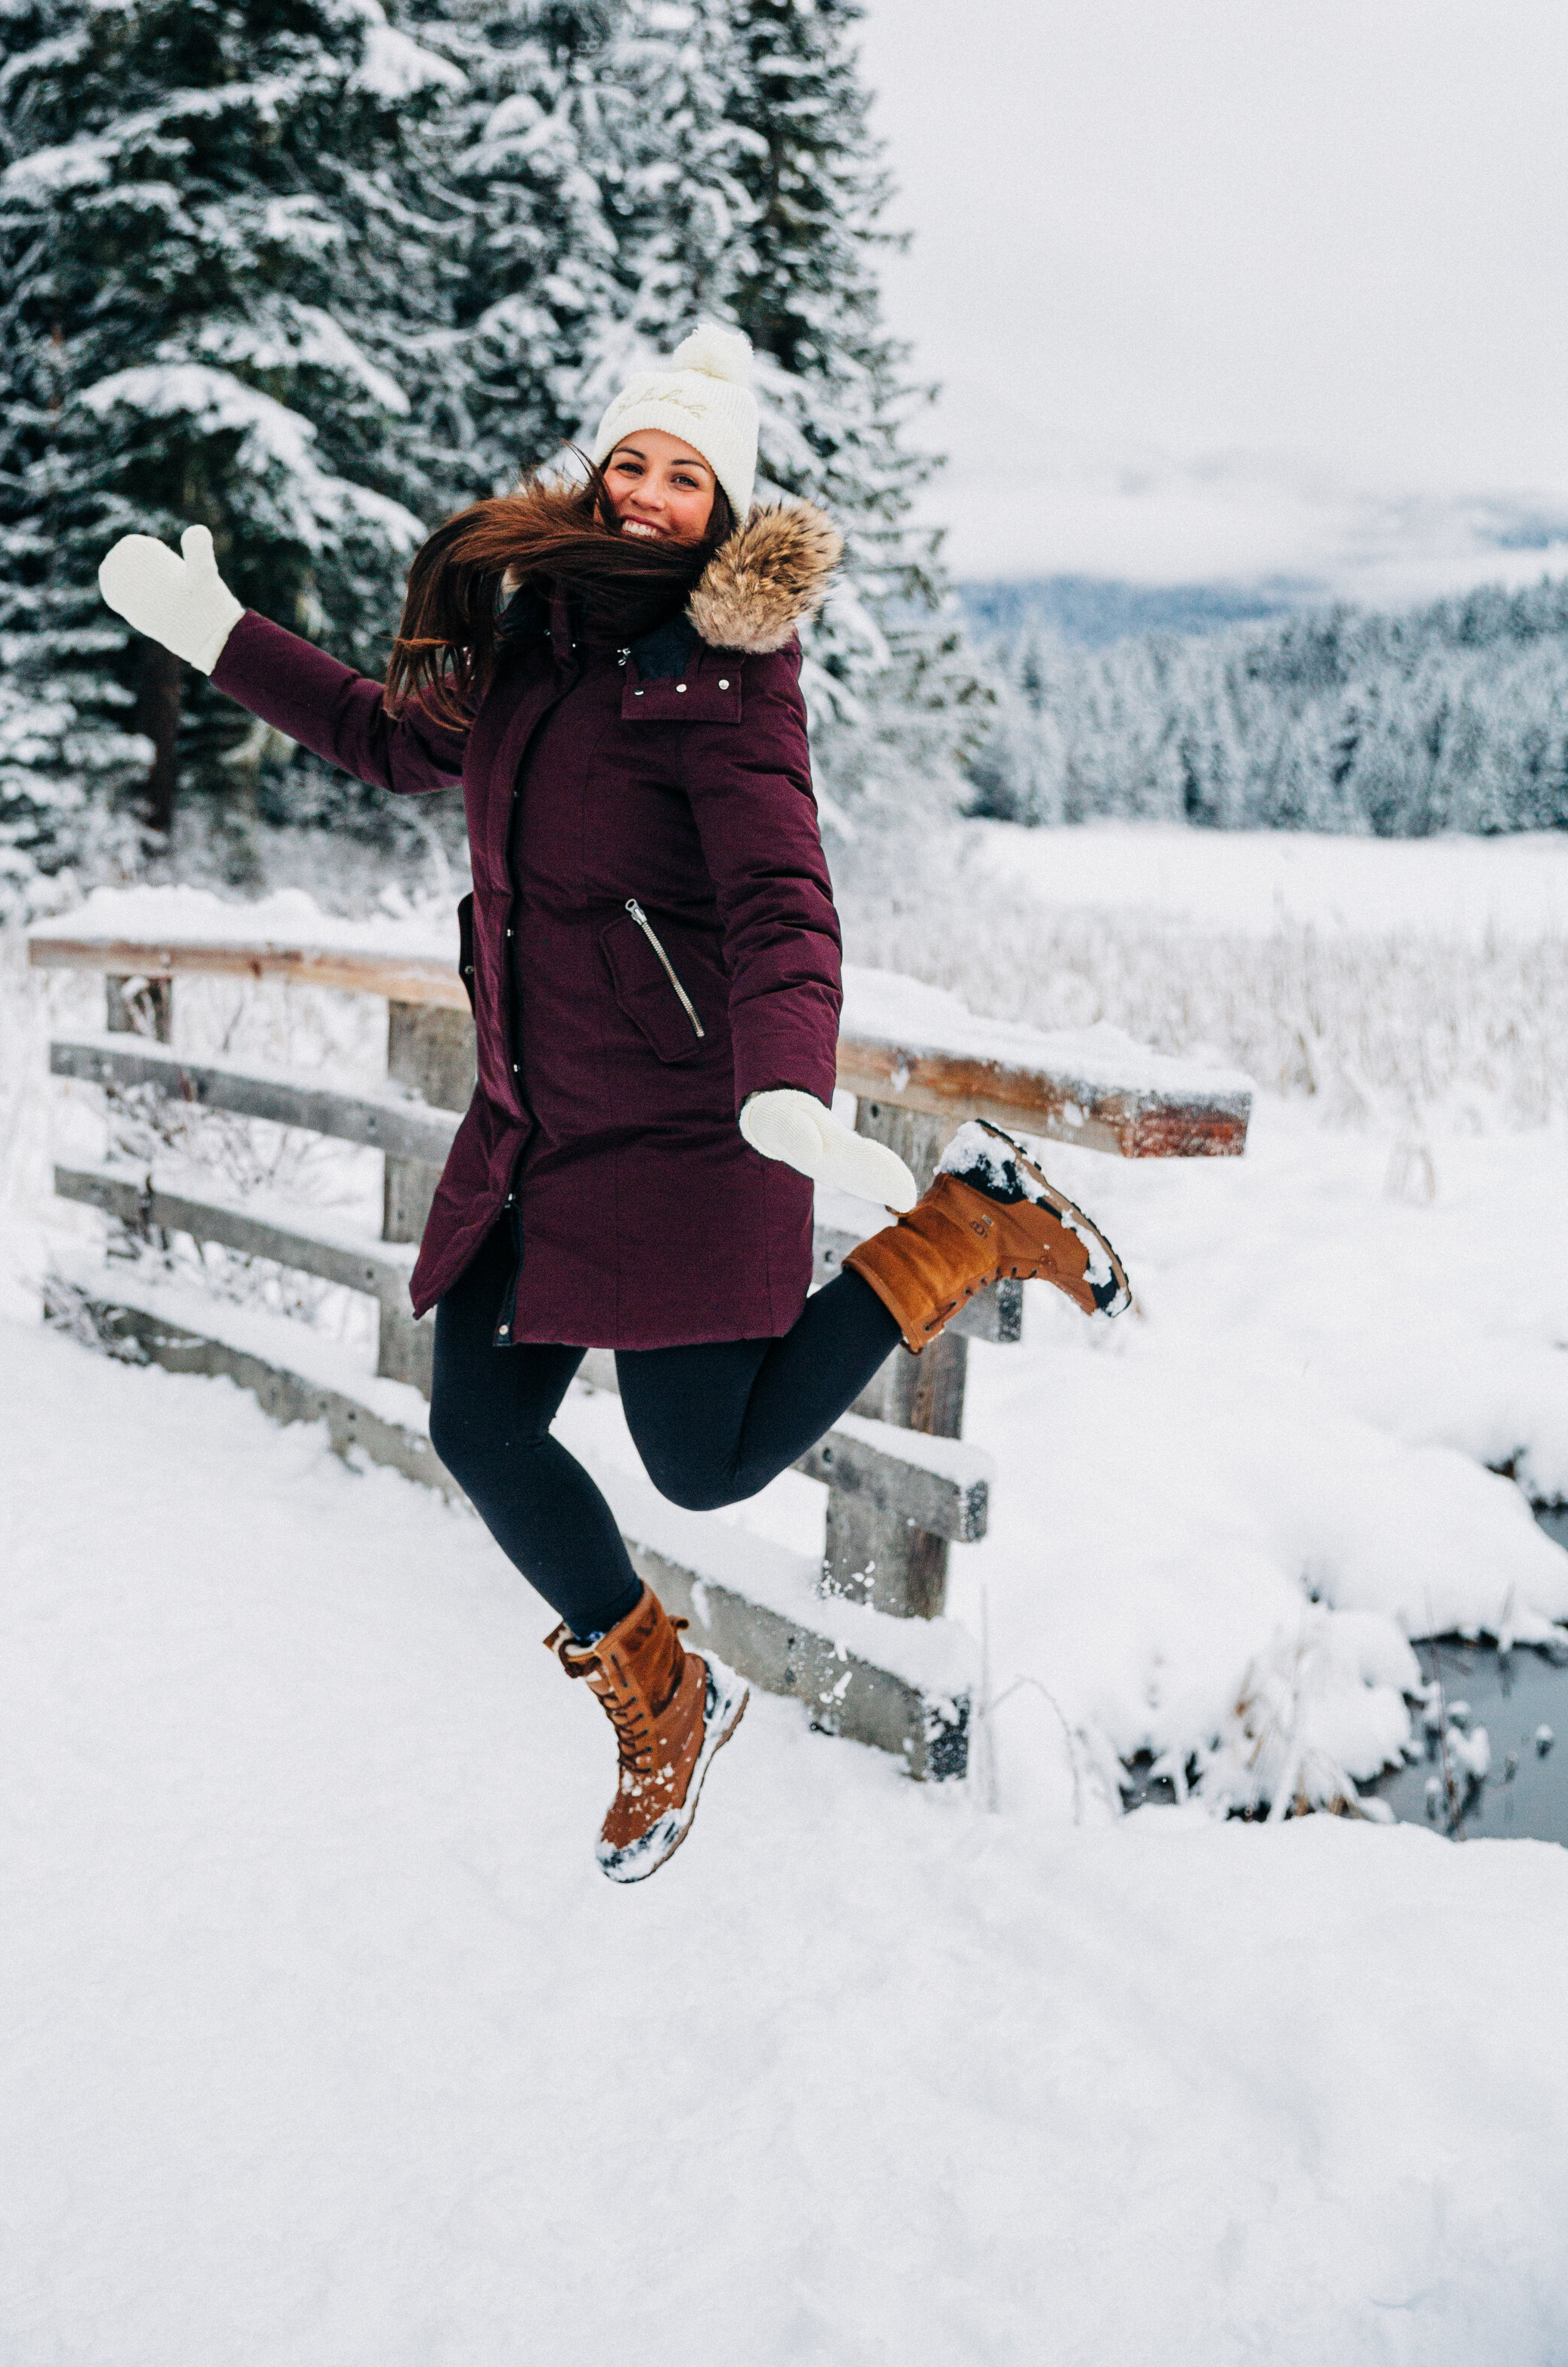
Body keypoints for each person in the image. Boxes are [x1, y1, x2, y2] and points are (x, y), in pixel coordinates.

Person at [98, 323, 1132, 1883]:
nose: (647, 494)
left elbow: (785, 901)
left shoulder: (732, 681)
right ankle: (660, 1686)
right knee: (477, 1422)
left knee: (701, 1463)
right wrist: (220, 635)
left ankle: (962, 1227)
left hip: (691, 1121)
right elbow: (391, 742)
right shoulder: (535, 634)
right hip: (536, 1121)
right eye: (632, 462)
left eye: (685, 475)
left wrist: (785, 1078)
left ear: (727, 511)